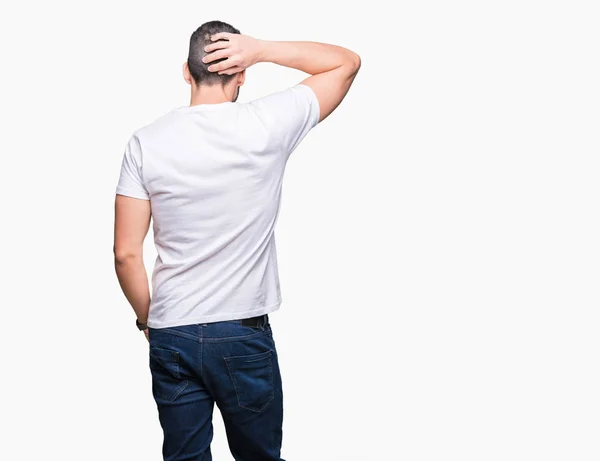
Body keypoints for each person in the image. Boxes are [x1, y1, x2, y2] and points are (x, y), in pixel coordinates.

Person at [113, 20, 360, 461]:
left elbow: (126, 254)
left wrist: (147, 320)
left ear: (186, 73)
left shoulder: (145, 143)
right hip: (241, 332)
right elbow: (345, 63)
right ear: (241, 72)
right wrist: (261, 49)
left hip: (172, 331)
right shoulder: (267, 123)